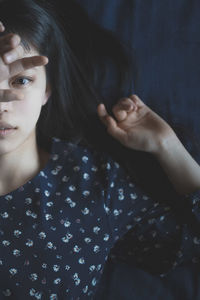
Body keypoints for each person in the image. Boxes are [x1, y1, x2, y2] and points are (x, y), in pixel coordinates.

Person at [0, 0, 199, 299]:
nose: (3, 104)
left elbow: (190, 244)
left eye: (21, 80)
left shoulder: (94, 183)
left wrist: (167, 147)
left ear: (47, 89)